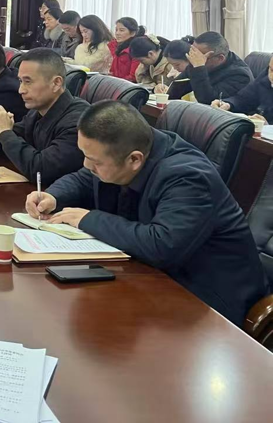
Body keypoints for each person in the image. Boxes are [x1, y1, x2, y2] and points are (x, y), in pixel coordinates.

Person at [25, 101, 268, 326]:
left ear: (134, 159)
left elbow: (161, 245)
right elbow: (85, 178)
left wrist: (88, 219)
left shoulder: (188, 177)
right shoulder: (123, 150)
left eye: (94, 161)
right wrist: (53, 196)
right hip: (150, 278)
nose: (87, 165)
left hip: (206, 302)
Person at [0, 49, 89, 184]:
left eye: (28, 81)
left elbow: (41, 171)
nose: (20, 90)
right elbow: (0, 150)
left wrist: (4, 132)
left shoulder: (79, 121)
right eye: (20, 81)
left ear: (56, 83)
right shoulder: (38, 110)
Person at [167, 31, 253, 105]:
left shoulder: (240, 75)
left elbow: (208, 102)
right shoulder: (198, 62)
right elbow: (176, 89)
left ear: (220, 58)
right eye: (193, 53)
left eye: (200, 56)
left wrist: (199, 68)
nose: (194, 59)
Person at [213, 53, 273, 122]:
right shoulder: (265, 75)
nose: (271, 76)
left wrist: (268, 126)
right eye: (271, 70)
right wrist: (228, 104)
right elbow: (243, 98)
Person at [110, 17, 146, 82]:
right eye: (116, 30)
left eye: (121, 30)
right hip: (116, 83)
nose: (117, 33)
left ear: (132, 33)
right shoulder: (115, 46)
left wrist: (114, 82)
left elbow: (133, 77)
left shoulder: (136, 49)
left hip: (128, 85)